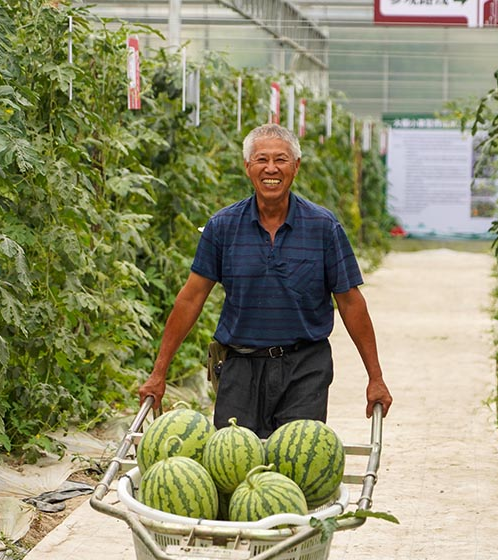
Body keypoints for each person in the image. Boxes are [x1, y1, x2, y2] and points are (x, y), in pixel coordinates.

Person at [138, 123, 392, 437]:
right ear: (248, 167)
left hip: (304, 366)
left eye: (281, 160)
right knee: (234, 466)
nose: (271, 168)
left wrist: (375, 378)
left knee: (296, 462)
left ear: (296, 167)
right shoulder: (223, 226)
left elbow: (351, 303)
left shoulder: (323, 227)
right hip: (240, 368)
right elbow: (191, 299)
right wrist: (158, 373)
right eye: (261, 160)